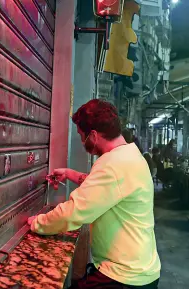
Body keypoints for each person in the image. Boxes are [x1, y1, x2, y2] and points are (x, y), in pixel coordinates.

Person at [28, 99, 160, 288]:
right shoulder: (129, 155)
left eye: (82, 136)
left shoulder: (113, 164)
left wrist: (37, 223)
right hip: (139, 269)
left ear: (94, 135)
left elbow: (73, 212)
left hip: (124, 277)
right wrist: (70, 174)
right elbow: (108, 189)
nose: (83, 142)